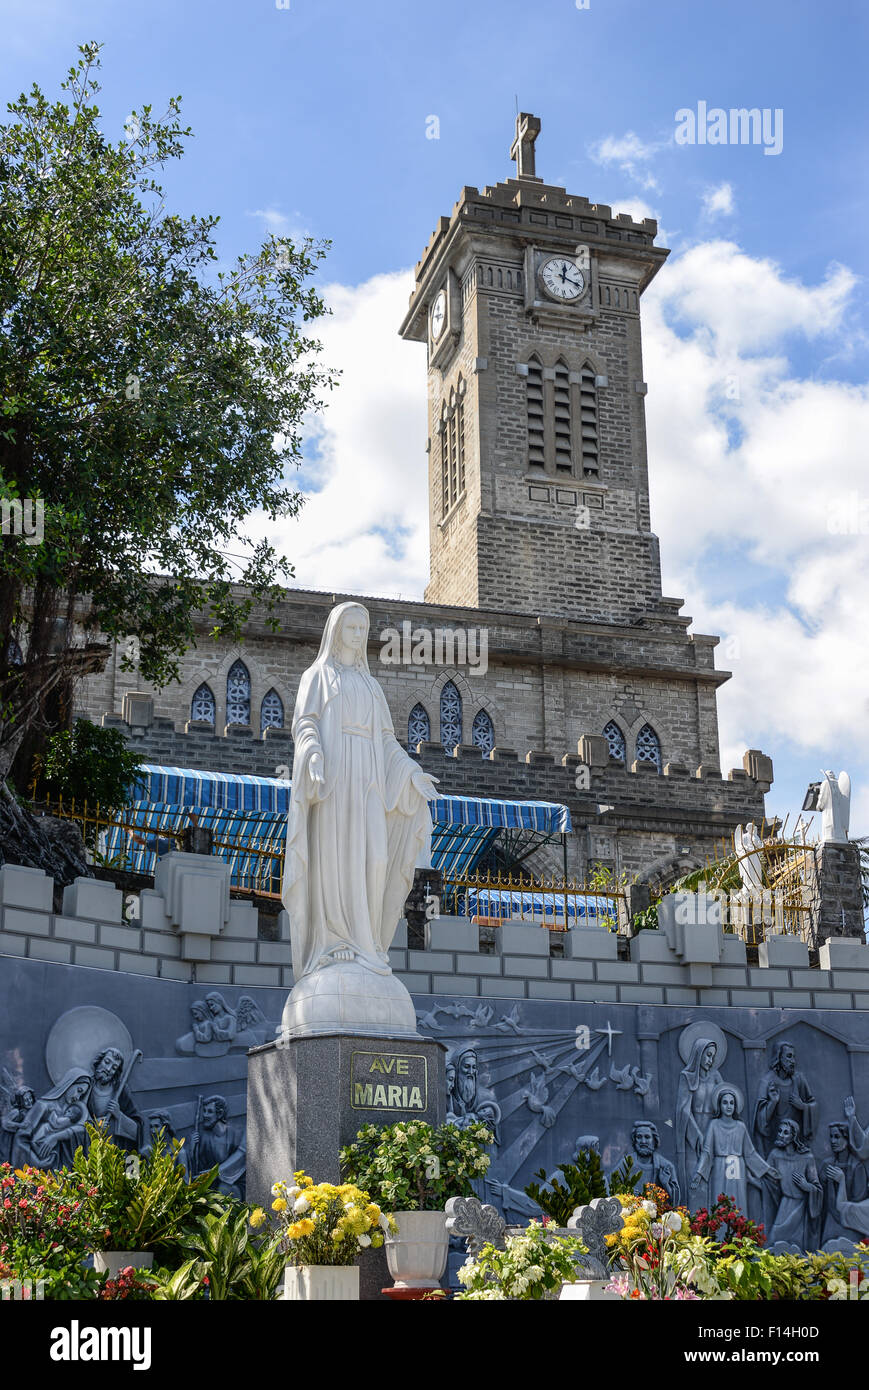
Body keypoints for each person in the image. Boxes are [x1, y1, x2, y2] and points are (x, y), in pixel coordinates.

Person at [282, 602, 437, 981]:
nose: (356, 635)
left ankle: (367, 944)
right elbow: (305, 723)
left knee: (378, 858)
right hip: (334, 782)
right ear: (336, 632)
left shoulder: (372, 686)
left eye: (361, 629)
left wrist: (411, 772)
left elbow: (386, 741)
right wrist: (312, 753)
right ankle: (332, 942)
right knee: (334, 859)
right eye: (350, 627)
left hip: (369, 781)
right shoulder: (316, 676)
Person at [690, 1085, 776, 1222]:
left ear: (736, 1106)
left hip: (737, 1167)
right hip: (719, 1167)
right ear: (719, 1105)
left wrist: (767, 1169)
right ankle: (719, 1238)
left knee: (738, 1202)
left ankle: (740, 1237)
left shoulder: (740, 1127)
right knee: (719, 1203)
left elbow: (750, 1153)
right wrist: (699, 1172)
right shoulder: (714, 1125)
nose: (728, 1106)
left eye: (731, 1103)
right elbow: (707, 1152)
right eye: (725, 1102)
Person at [12, 1070, 92, 1169]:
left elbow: (87, 1130)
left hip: (63, 1171)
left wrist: (56, 1137)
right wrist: (36, 1163)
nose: (78, 1097)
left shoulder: (76, 1111)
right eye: (79, 1091)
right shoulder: (42, 1106)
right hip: (40, 1166)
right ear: (69, 1084)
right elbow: (20, 1138)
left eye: (82, 1095)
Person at [675, 1037, 722, 1202]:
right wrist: (698, 1137)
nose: (710, 1060)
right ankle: (695, 1224)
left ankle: (714, 1225)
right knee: (695, 1182)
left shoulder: (716, 1077)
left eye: (713, 1057)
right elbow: (684, 1110)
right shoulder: (686, 1077)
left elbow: (724, 1103)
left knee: (714, 1186)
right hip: (693, 1138)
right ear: (699, 1053)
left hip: (713, 1137)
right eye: (708, 1055)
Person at [766, 1118, 822, 1248]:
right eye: (779, 1131)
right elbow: (766, 1178)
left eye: (786, 1132)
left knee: (797, 1247)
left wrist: (807, 1186)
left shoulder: (807, 1158)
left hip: (800, 1207)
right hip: (784, 1205)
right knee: (774, 1240)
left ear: (794, 1136)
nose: (780, 1135)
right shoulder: (774, 1155)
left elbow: (817, 1187)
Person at [753, 1041, 816, 1155]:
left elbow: (813, 1104)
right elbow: (760, 1122)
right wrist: (773, 1102)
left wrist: (803, 1107)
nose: (793, 1061)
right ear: (779, 1057)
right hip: (774, 1142)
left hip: (796, 1143)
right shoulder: (767, 1082)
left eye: (794, 1057)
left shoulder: (799, 1079)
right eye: (789, 1056)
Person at [190, 1095, 246, 1199]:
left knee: (223, 1189)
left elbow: (239, 1164)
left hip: (234, 1184)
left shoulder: (236, 1134)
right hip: (212, 1185)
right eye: (204, 1111)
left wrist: (212, 1174)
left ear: (220, 1113)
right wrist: (192, 1150)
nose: (205, 1115)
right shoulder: (205, 1139)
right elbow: (197, 1172)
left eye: (210, 1111)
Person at [821, 1120, 867, 1243]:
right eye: (831, 1137)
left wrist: (842, 1182)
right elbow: (821, 1195)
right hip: (830, 1221)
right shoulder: (827, 1164)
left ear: (847, 1140)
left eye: (837, 1137)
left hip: (850, 1223)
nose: (833, 1141)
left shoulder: (857, 1167)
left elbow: (858, 1201)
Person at [88, 1047, 142, 1151]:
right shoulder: (86, 1087)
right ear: (99, 1061)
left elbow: (137, 1130)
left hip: (114, 1150)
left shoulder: (120, 1091)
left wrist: (119, 1115)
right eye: (107, 1062)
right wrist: (93, 1125)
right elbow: (74, 1118)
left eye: (114, 1067)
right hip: (89, 1148)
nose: (108, 1069)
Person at [0, 1086, 35, 1164]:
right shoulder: (16, 1112)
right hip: (9, 1140)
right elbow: (5, 1122)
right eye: (26, 1100)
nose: (29, 1102)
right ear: (20, 1101)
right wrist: (20, 1125)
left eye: (30, 1098)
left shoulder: (31, 1111)